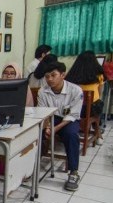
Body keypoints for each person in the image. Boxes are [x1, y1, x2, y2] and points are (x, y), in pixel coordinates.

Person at [37, 61, 83, 191]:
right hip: (50, 119)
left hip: (69, 120)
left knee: (71, 134)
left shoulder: (75, 90)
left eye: (53, 75)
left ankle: (73, 172)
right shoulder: (42, 91)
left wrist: (55, 129)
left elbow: (73, 114)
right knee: (35, 133)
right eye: (47, 76)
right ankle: (31, 166)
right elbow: (42, 112)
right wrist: (46, 127)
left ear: (63, 75)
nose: (50, 79)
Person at [65, 50, 105, 144]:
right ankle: (98, 134)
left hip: (73, 109)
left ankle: (77, 128)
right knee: (98, 104)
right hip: (89, 110)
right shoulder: (99, 75)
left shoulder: (71, 75)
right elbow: (100, 93)